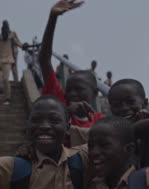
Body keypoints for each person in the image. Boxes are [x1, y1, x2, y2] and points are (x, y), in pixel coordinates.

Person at [39, 0, 103, 129]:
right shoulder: (60, 103)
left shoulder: (100, 121)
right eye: (69, 90)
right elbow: (44, 60)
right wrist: (53, 17)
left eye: (78, 89)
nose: (72, 94)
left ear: (95, 93)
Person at [0, 25, 25, 105]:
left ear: (8, 32)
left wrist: (25, 46)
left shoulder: (12, 38)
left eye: (6, 32)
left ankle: (7, 98)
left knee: (6, 79)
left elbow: (19, 43)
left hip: (8, 61)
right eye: (3, 32)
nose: (4, 34)